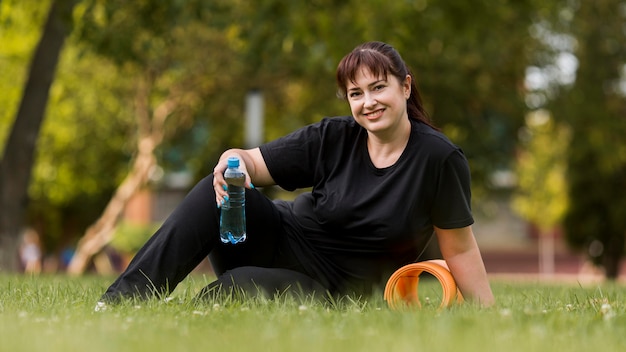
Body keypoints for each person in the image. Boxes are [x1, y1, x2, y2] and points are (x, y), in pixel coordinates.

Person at [99, 41, 494, 307]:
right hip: (281, 237)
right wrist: (231, 161)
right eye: (356, 94)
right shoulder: (334, 136)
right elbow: (252, 162)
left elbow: (458, 247)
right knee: (211, 191)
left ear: (405, 87)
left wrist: (487, 316)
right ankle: (121, 301)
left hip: (335, 288)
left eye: (378, 88)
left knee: (235, 289)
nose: (368, 103)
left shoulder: (439, 158)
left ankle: (208, 308)